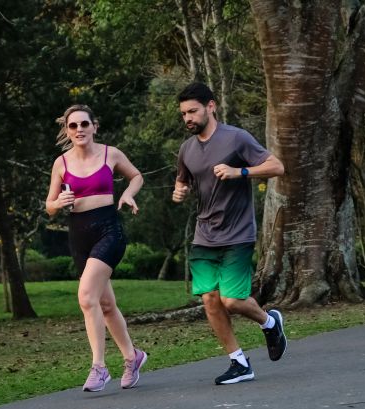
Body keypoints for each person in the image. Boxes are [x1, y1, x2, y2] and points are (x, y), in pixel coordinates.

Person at [172, 82, 287, 385]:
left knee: (232, 300)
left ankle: (269, 321)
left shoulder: (236, 139)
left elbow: (277, 167)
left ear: (211, 107)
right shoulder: (186, 149)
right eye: (183, 113)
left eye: (192, 111)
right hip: (204, 234)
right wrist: (179, 190)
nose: (188, 118)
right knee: (210, 299)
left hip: (237, 233)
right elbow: (183, 179)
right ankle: (239, 362)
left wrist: (241, 172)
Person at [45, 104, 147, 392]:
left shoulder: (110, 154)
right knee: (105, 304)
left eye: (84, 124)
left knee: (87, 297)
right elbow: (49, 206)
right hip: (78, 235)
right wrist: (58, 203)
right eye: (73, 126)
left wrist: (127, 194)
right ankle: (133, 356)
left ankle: (99, 367)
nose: (79, 130)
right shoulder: (60, 163)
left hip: (108, 231)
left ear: (94, 126)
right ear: (67, 130)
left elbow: (136, 176)